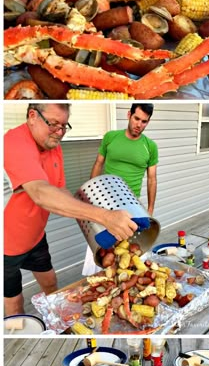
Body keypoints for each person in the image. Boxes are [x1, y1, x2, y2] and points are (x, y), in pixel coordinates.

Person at [4, 103, 137, 317]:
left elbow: (60, 190)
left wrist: (99, 217)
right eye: (54, 124)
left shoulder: (53, 145)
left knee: (51, 284)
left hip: (35, 236)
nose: (59, 132)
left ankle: (59, 321)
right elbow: (40, 192)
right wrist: (104, 216)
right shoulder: (14, 141)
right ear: (32, 116)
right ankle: (14, 336)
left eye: (64, 126)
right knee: (14, 303)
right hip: (6, 244)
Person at [83, 103, 158, 275]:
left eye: (144, 121)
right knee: (100, 250)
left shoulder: (150, 146)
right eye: (136, 118)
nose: (139, 124)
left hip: (131, 205)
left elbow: (152, 179)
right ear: (129, 115)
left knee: (129, 252)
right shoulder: (111, 137)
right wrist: (90, 196)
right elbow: (99, 163)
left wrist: (150, 209)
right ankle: (94, 279)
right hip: (104, 202)